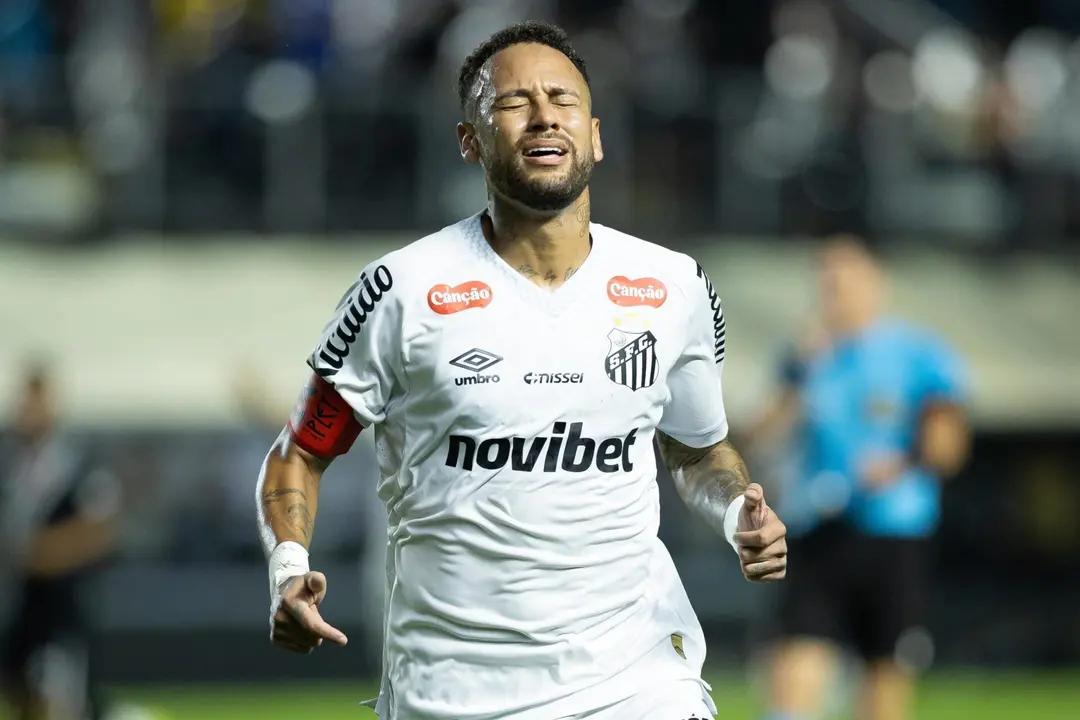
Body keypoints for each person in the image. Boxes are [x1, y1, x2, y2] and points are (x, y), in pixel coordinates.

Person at [256, 21, 788, 720]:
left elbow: (695, 450)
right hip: (452, 693)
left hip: (638, 680)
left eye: (562, 99)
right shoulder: (400, 292)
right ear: (469, 141)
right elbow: (300, 453)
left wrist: (734, 515)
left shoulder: (673, 288)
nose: (543, 115)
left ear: (594, 134)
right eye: (513, 102)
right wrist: (288, 572)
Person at [754, 237, 970, 720]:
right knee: (795, 659)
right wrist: (798, 373)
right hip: (818, 527)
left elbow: (948, 443)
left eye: (846, 281)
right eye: (828, 283)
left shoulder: (918, 354)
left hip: (892, 532)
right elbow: (760, 434)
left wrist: (902, 462)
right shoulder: (808, 357)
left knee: (884, 673)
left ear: (875, 283)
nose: (836, 294)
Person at [0, 365, 120, 720]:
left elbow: (96, 529)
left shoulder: (78, 463)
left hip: (61, 608)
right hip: (20, 607)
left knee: (58, 693)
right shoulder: (11, 465)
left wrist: (36, 554)